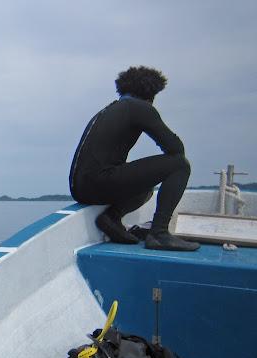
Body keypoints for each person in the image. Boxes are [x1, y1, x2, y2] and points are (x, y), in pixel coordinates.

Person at [69, 66, 199, 251]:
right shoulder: (140, 108)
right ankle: (159, 233)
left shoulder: (109, 109)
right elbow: (176, 149)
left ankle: (111, 218)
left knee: (146, 189)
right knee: (179, 165)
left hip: (80, 188)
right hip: (99, 182)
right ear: (150, 94)